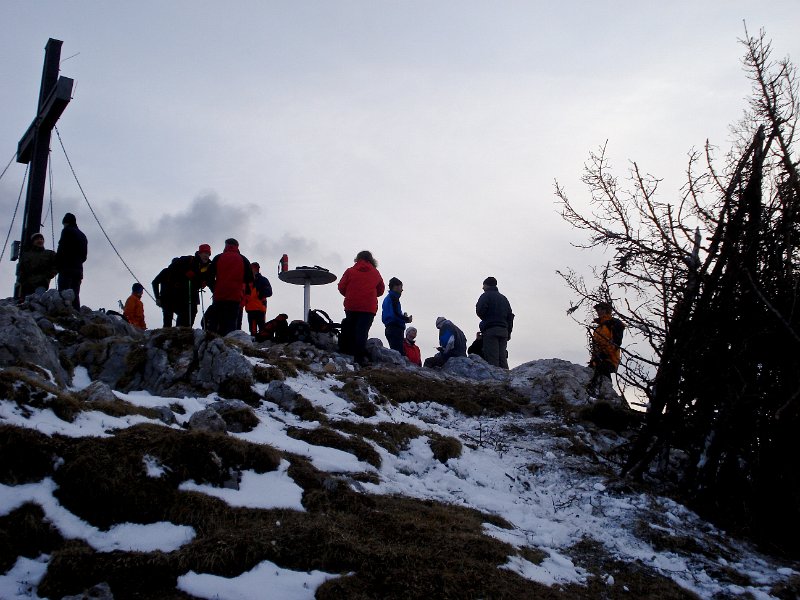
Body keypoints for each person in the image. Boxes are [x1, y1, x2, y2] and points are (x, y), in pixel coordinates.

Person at [338, 250, 385, 365]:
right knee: (362, 332)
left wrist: (350, 294)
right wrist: (370, 294)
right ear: (371, 260)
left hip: (351, 305)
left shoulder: (350, 271)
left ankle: (348, 354)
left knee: (351, 329)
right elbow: (381, 290)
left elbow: (341, 286)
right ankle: (359, 359)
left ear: (357, 259)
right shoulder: (375, 273)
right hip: (368, 308)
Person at [208, 238, 254, 336]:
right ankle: (228, 344)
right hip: (235, 295)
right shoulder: (243, 259)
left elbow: (209, 276)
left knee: (215, 320)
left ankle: (211, 343)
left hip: (219, 294)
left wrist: (214, 288)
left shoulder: (218, 257)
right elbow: (249, 279)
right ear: (237, 246)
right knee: (231, 322)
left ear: (226, 246)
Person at [475, 276, 514, 369]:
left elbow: (479, 311)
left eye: (483, 285)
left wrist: (485, 320)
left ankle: (495, 382)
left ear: (487, 285)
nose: (482, 287)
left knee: (492, 359)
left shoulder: (485, 296)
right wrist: (508, 332)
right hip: (504, 331)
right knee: (502, 358)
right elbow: (510, 316)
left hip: (491, 330)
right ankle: (507, 380)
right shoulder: (504, 298)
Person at [587, 301, 625, 396]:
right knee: (592, 375)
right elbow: (595, 346)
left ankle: (609, 398)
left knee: (604, 375)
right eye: (598, 310)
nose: (599, 312)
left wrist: (605, 354)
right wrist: (593, 359)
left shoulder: (615, 323)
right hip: (597, 359)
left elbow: (616, 343)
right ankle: (597, 397)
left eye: (602, 309)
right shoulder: (599, 328)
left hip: (609, 359)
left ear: (607, 310)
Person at [56, 212, 88, 309]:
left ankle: (64, 316)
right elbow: (84, 256)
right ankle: (76, 315)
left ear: (66, 223)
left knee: (64, 293)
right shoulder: (83, 236)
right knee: (75, 294)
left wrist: (58, 263)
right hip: (78, 270)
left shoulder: (67, 231)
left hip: (66, 268)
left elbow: (62, 249)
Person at [16, 232, 58, 298]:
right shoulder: (26, 255)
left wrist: (51, 274)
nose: (40, 241)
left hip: (41, 282)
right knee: (28, 303)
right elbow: (21, 269)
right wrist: (22, 280)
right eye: (37, 239)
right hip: (28, 285)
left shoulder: (49, 254)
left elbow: (57, 264)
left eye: (41, 239)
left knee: (39, 300)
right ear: (33, 242)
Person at [381, 277, 412, 354]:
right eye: (401, 287)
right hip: (395, 328)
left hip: (390, 327)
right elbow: (395, 314)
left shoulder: (389, 298)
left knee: (396, 352)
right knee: (398, 353)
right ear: (395, 287)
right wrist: (406, 319)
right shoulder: (393, 298)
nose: (402, 290)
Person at [245, 262, 273, 336]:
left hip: (259, 308)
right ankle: (255, 345)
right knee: (253, 331)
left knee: (262, 330)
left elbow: (269, 292)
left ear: (257, 269)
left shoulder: (262, 280)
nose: (251, 270)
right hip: (250, 308)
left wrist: (260, 293)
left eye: (252, 268)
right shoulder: (248, 280)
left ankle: (261, 344)